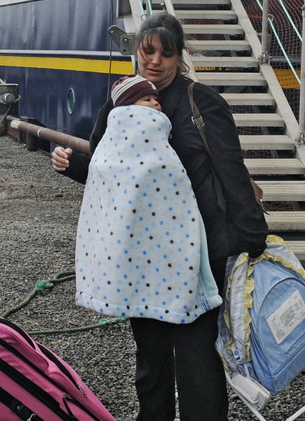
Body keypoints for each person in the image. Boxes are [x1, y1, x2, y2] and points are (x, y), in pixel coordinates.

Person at [52, 12, 268, 421]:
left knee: (195, 353)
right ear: (137, 50)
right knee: (149, 347)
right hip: (140, 249)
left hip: (198, 248)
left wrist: (254, 238)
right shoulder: (121, 103)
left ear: (179, 54)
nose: (155, 62)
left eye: (166, 52)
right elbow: (103, 167)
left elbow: (231, 171)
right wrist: (72, 166)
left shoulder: (200, 102)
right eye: (148, 51)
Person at [74, 75, 221, 325]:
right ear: (128, 105)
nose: (155, 104)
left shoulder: (111, 143)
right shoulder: (148, 129)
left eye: (156, 99)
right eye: (147, 99)